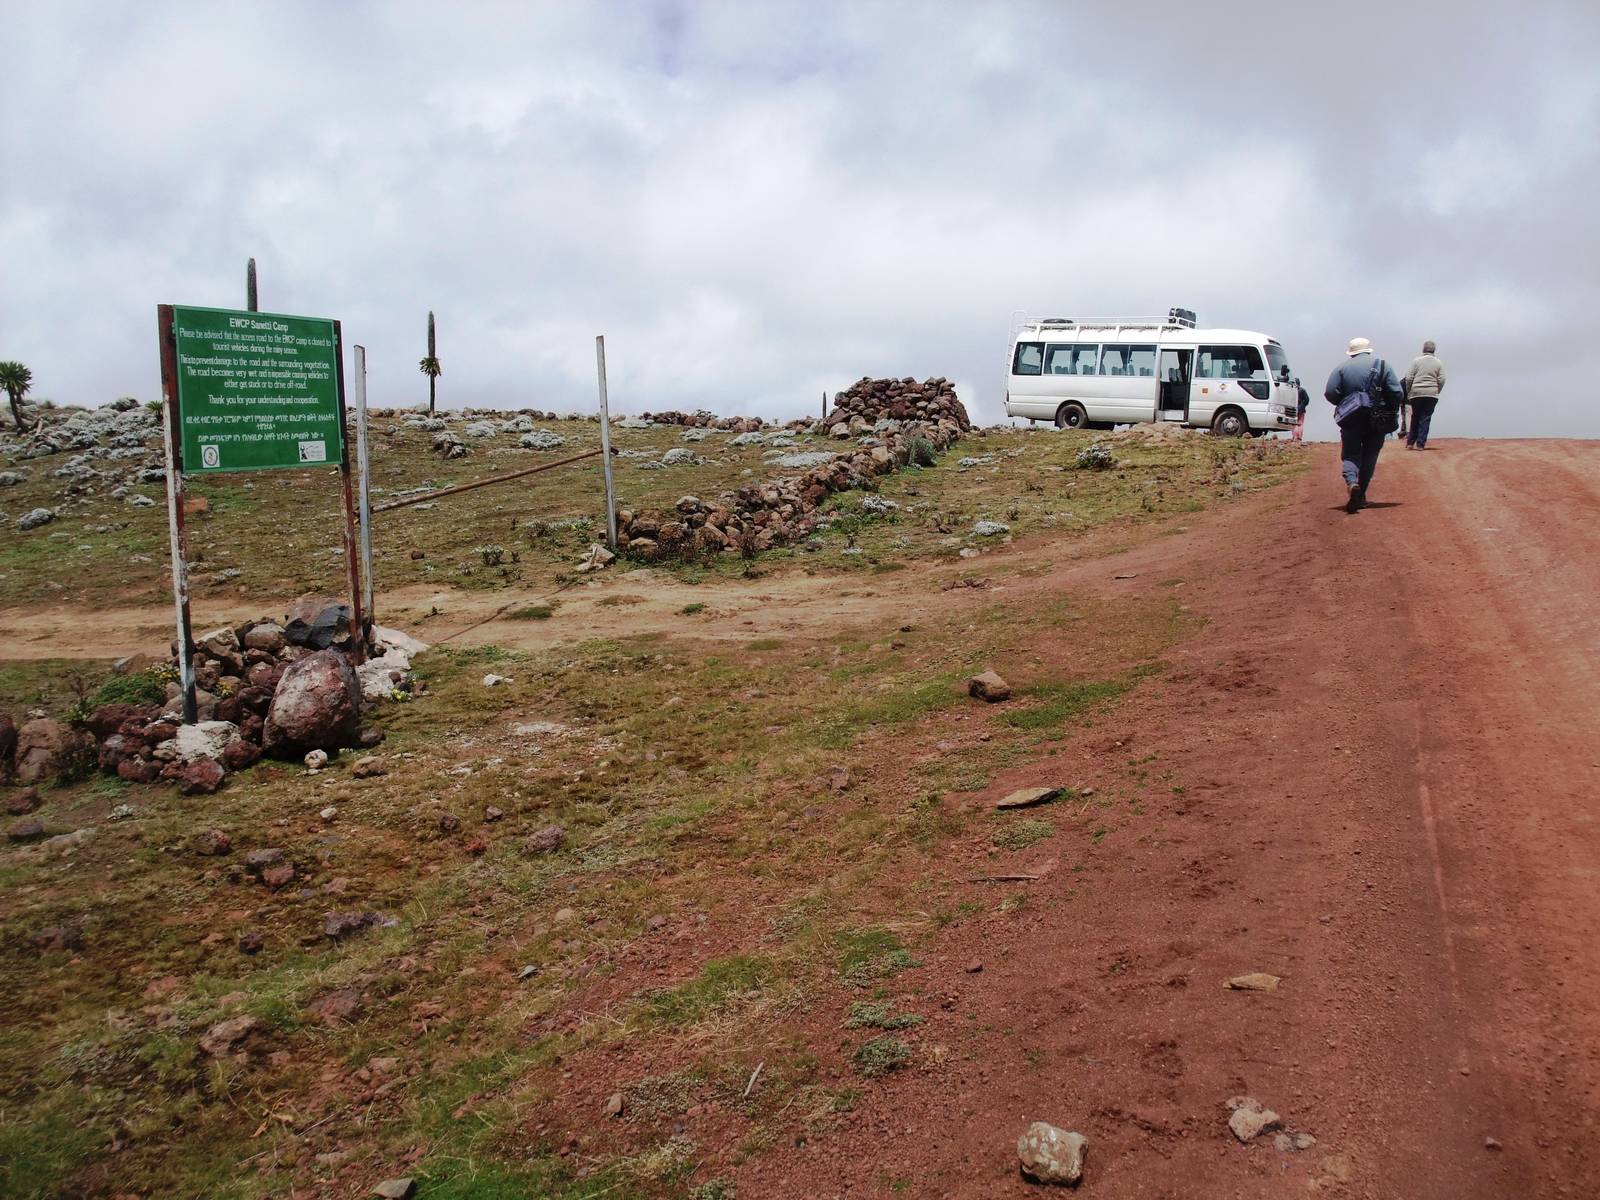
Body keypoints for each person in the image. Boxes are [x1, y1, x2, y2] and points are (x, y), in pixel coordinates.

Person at [1325, 337, 1403, 513]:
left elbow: (1330, 393)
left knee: (1351, 454)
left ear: (1351, 352)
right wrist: (1388, 407)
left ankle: (1352, 482)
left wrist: (1346, 402)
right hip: (1377, 419)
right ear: (1369, 350)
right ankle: (1361, 495)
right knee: (1370, 455)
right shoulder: (1383, 366)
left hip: (1351, 418)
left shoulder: (1341, 368)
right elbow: (1397, 392)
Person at [1403, 340, 1446, 449]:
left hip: (1416, 392)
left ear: (1423, 349)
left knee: (1415, 416)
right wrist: (1437, 390)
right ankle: (1420, 444)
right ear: (1434, 350)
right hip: (1431, 393)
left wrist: (1409, 391)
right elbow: (1442, 379)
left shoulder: (1416, 361)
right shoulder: (1438, 362)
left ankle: (1410, 442)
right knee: (1426, 417)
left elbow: (1409, 378)